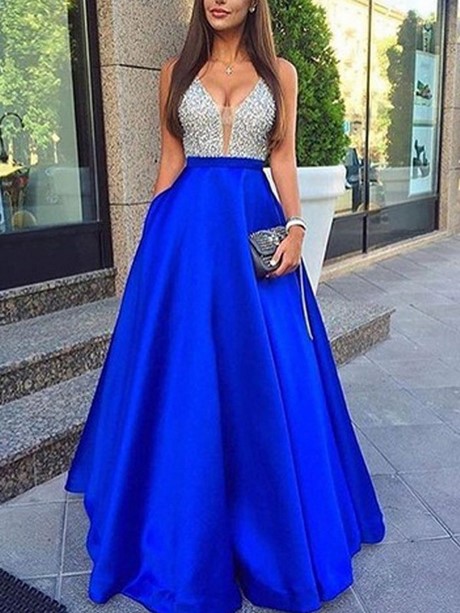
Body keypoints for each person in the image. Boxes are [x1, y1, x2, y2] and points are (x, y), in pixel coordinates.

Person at [64, 1, 386, 612]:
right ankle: (175, 521)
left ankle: (274, 525)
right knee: (184, 374)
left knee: (262, 377)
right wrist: (153, 250)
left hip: (250, 226)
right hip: (185, 236)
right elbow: (170, 162)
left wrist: (296, 226)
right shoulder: (175, 71)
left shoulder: (281, 74)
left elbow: (282, 157)